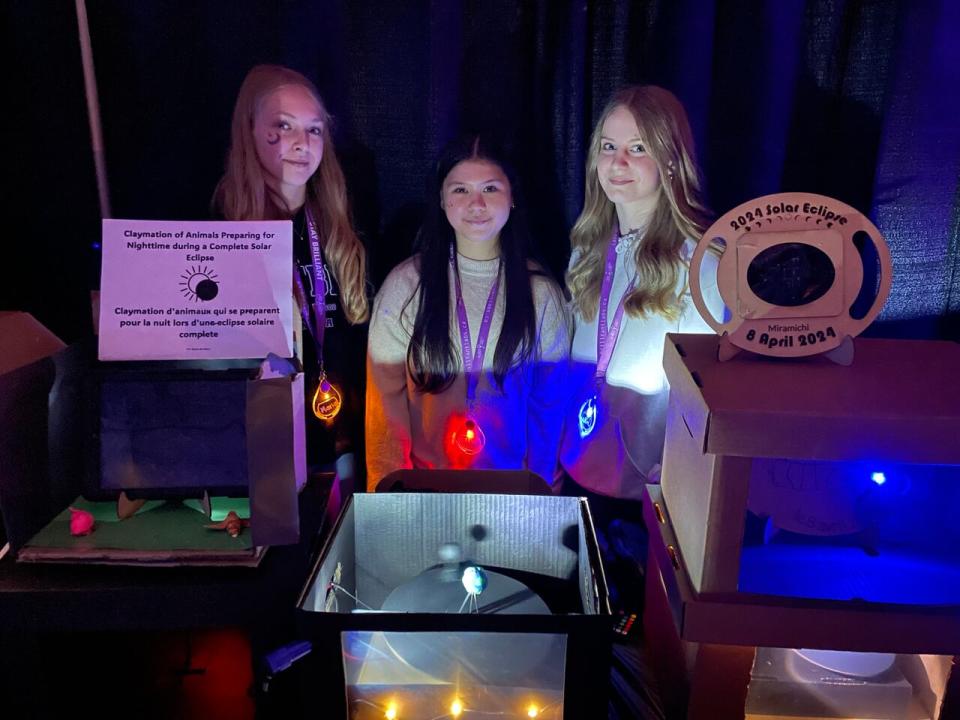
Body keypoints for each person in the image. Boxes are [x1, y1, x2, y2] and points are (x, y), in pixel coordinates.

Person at [559, 86, 725, 604]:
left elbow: (708, 395)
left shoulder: (706, 261)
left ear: (671, 160)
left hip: (652, 493)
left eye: (638, 148)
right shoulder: (589, 250)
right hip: (583, 473)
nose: (619, 163)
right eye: (608, 147)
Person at [366, 136, 569, 491]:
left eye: (490, 188)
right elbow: (385, 408)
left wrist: (543, 495)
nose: (476, 203)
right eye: (460, 190)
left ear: (512, 197)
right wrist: (387, 499)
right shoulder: (405, 287)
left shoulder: (542, 294)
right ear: (442, 201)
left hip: (512, 495)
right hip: (424, 494)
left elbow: (547, 409)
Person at [213, 64, 369, 508]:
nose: (301, 144)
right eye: (282, 126)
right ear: (249, 130)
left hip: (341, 445)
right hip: (262, 457)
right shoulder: (218, 230)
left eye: (314, 129)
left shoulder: (338, 225)